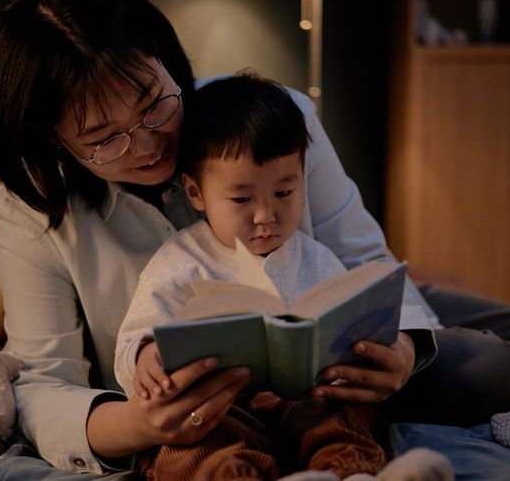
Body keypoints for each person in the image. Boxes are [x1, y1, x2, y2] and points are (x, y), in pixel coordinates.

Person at [0, 0, 510, 475]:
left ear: (168, 62)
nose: (147, 144)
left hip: (325, 320)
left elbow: (366, 259)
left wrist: (401, 348)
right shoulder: (31, 206)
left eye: (154, 102)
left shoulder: (270, 117)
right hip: (218, 398)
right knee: (491, 370)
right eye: (103, 139)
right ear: (54, 141)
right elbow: (44, 385)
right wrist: (138, 428)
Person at [115, 72, 399, 479]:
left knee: (345, 418)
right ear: (196, 193)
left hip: (305, 401)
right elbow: (136, 334)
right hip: (219, 407)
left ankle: (346, 472)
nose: (266, 215)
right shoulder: (178, 262)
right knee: (192, 447)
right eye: (242, 199)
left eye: (284, 193)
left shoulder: (315, 258)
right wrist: (144, 357)